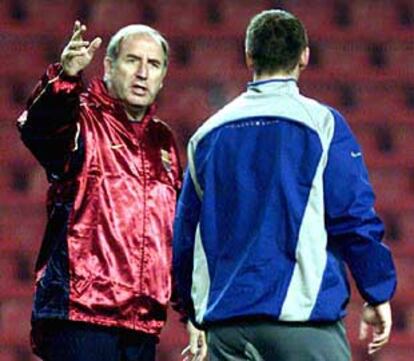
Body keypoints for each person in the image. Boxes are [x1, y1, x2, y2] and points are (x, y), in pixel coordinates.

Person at [173, 9, 397, 361]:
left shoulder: (206, 136)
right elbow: (353, 217)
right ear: (304, 56)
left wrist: (190, 311)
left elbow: (186, 235)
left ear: (249, 56)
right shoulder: (323, 124)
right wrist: (377, 291)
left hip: (227, 329)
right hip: (302, 324)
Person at [17, 21, 182, 361]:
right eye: (132, 60)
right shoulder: (81, 119)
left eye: (153, 65)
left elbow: (172, 231)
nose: (142, 73)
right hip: (81, 317)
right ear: (108, 66)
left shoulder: (163, 141)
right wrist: (65, 78)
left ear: (163, 77)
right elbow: (40, 129)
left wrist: (190, 310)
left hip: (141, 325)